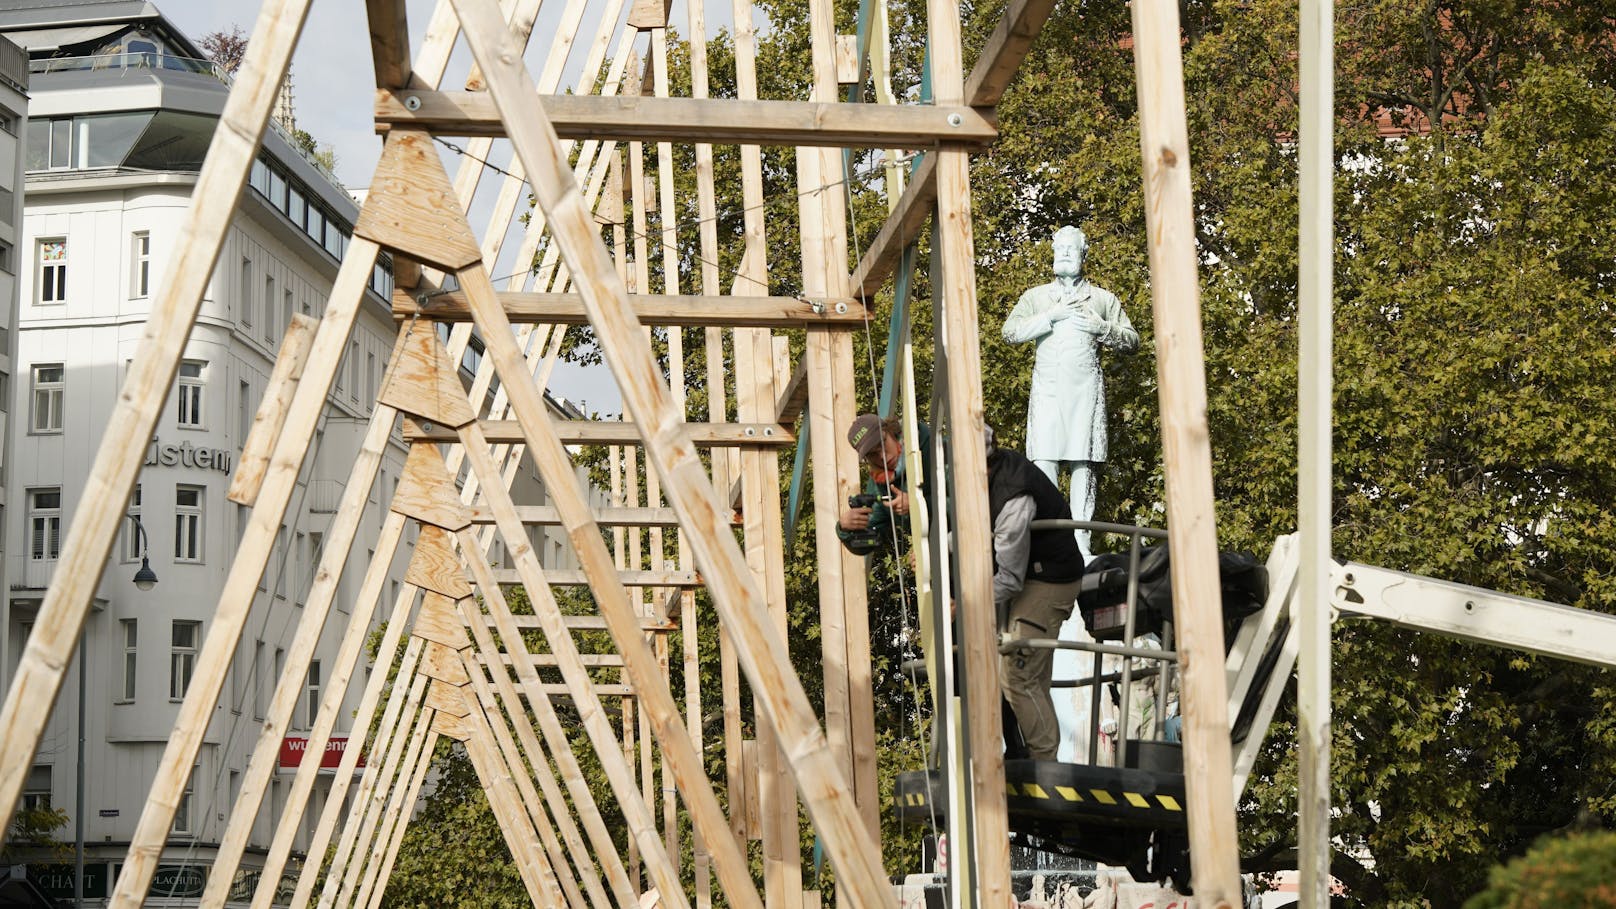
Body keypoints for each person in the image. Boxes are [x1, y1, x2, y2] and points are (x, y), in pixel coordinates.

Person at [1002, 225, 1138, 559]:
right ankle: (1051, 538)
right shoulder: (1036, 297)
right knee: (1044, 461)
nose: (1063, 253)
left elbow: (1132, 340)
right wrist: (1050, 316)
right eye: (1059, 248)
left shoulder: (1102, 299)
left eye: (1070, 249)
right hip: (1048, 389)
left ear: (1083, 254)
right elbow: (1010, 333)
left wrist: (1101, 327)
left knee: (1084, 461)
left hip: (1085, 390)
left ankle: (1081, 540)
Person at [987, 427, 1085, 761]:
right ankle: (1023, 755)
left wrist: (966, 601)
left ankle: (1044, 765)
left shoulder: (1013, 500)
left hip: (1047, 581)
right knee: (1028, 676)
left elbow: (1009, 580)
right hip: (1031, 576)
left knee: (1019, 674)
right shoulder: (988, 475)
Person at [836, 412, 933, 555]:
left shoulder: (929, 445)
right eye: (872, 454)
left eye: (882, 443)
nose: (881, 456)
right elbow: (868, 541)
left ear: (891, 431)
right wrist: (845, 529)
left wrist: (916, 503)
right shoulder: (880, 488)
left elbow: (965, 498)